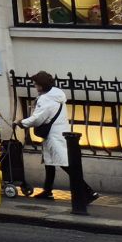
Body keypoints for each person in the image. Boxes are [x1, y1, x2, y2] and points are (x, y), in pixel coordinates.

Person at [17, 71, 89, 201]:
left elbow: (38, 118)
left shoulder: (46, 99)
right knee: (50, 163)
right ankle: (47, 190)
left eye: (36, 84)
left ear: (41, 85)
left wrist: (21, 123)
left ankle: (88, 192)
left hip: (53, 136)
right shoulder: (56, 95)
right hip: (59, 132)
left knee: (65, 165)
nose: (35, 86)